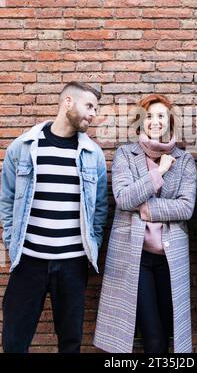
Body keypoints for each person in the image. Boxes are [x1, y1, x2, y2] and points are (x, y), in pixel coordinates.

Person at [0, 81, 108, 353]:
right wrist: (13, 244)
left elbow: (100, 209)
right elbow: (7, 199)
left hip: (72, 265)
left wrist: (90, 246)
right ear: (68, 103)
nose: (93, 114)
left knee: (70, 342)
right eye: (89, 106)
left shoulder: (93, 154)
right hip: (28, 262)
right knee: (14, 341)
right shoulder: (24, 147)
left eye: (96, 108)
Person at [94, 93, 197, 353]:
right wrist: (159, 172)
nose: (154, 121)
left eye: (160, 116)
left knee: (166, 331)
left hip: (170, 258)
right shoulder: (125, 155)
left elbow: (186, 207)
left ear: (169, 121)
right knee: (151, 334)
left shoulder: (184, 160)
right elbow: (124, 198)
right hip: (134, 256)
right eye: (149, 116)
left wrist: (147, 208)